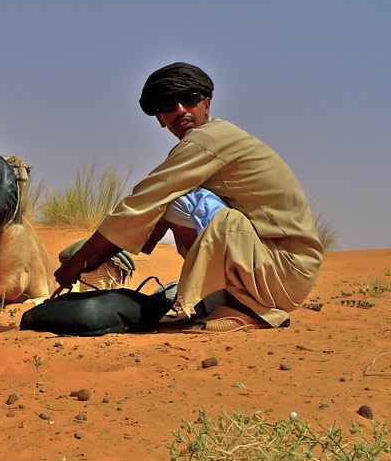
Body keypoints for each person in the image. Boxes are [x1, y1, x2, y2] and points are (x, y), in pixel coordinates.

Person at [54, 62, 324, 332]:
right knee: (172, 198)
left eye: (190, 99)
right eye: (169, 104)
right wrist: (108, 252)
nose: (180, 110)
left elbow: (145, 201)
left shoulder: (206, 141)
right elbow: (149, 212)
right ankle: (225, 299)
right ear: (160, 117)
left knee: (177, 199)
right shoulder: (207, 139)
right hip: (282, 271)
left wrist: (79, 263)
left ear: (206, 104)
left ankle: (244, 307)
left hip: (283, 270)